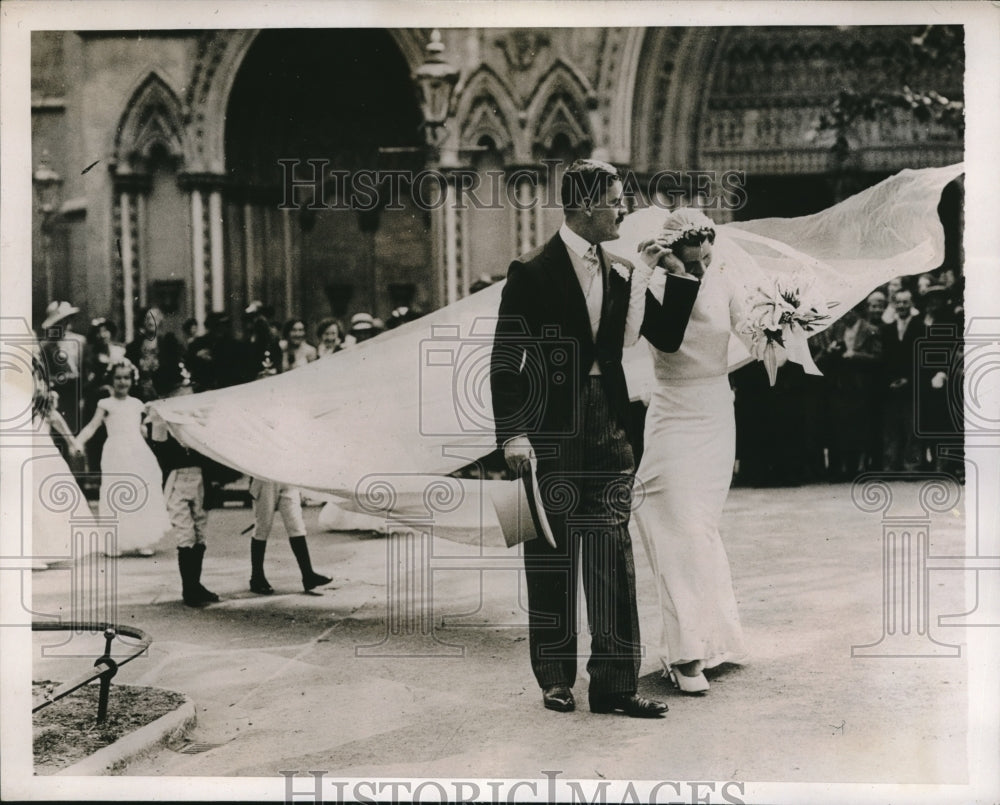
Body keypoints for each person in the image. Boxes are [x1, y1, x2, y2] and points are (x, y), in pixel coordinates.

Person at [489, 158, 699, 718]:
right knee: (552, 555)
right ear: (584, 205)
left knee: (612, 551)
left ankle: (614, 686)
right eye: (615, 199)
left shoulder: (623, 269)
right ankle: (555, 678)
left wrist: (679, 273)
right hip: (550, 429)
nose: (624, 209)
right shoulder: (531, 270)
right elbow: (507, 360)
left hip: (609, 422)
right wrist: (512, 434)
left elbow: (667, 335)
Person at [75, 359, 171, 556]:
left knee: (140, 492)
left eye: (126, 378)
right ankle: (115, 541)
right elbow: (93, 426)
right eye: (118, 378)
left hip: (138, 452)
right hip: (116, 452)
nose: (122, 382)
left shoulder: (137, 404)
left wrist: (144, 429)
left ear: (132, 380)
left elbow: (140, 427)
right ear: (111, 380)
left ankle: (143, 539)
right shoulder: (105, 404)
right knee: (116, 494)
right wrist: (78, 442)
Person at [150, 343, 219, 606]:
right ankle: (188, 589)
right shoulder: (161, 417)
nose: (186, 392)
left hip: (198, 477)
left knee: (200, 529)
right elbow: (161, 449)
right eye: (180, 388)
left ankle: (196, 584)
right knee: (185, 533)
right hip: (177, 478)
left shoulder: (194, 415)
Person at [880, 288, 926, 472]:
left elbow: (922, 358)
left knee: (912, 427)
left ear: (911, 303)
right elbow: (884, 359)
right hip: (891, 386)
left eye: (905, 302)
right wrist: (890, 381)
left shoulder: (920, 326)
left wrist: (909, 380)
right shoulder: (888, 329)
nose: (901, 306)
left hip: (912, 385)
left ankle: (912, 466)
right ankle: (890, 465)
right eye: (898, 302)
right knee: (891, 428)